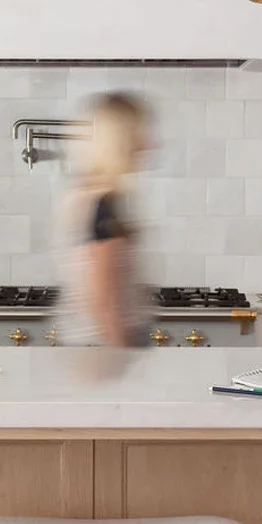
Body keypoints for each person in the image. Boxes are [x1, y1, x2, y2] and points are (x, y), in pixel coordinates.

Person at [60, 90, 149, 348]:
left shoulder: (88, 192)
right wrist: (126, 360)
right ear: (120, 139)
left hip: (95, 349)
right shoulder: (104, 203)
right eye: (138, 132)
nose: (147, 143)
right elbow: (104, 303)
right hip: (105, 350)